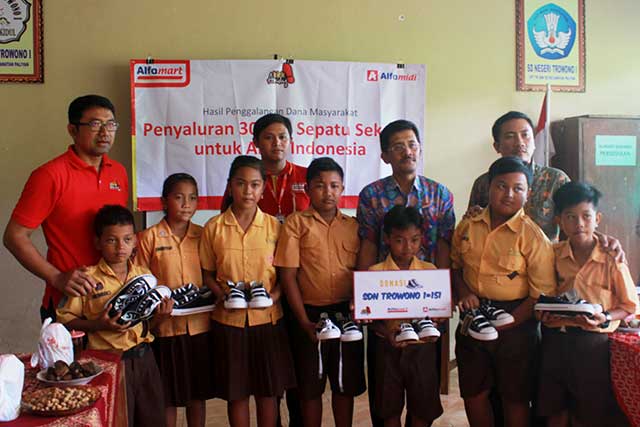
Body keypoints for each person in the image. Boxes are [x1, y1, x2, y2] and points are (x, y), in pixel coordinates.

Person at [356, 119, 455, 427]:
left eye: (412, 144)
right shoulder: (372, 195)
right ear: (385, 155)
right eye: (398, 147)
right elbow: (368, 244)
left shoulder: (440, 194)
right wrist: (363, 297)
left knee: (423, 389)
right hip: (385, 306)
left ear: (420, 149)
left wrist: (443, 298)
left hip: (425, 306)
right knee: (386, 391)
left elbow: (444, 246)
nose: (407, 152)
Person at [451, 156, 557, 427]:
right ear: (488, 187)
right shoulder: (467, 226)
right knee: (474, 393)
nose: (509, 194)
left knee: (515, 397)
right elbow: (455, 267)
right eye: (501, 186)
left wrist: (505, 324)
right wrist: (464, 293)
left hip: (517, 324)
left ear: (528, 194)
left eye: (518, 188)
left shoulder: (533, 237)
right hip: (473, 318)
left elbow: (540, 295)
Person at [4, 95, 128, 321]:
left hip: (112, 299)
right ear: (72, 130)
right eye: (95, 124)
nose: (105, 132)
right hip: (69, 304)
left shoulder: (118, 172)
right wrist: (56, 277)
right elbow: (14, 236)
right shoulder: (50, 175)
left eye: (110, 124)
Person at [221, 113, 308, 427]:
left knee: (298, 363)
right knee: (271, 370)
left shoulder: (306, 176)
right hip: (263, 288)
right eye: (269, 137)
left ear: (290, 140)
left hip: (300, 282)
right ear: (256, 142)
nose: (277, 143)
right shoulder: (247, 178)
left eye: (282, 137)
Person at [200, 155, 295, 427]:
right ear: (230, 186)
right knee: (237, 393)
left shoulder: (276, 227)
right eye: (241, 184)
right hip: (228, 322)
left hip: (268, 321)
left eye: (254, 185)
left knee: (268, 392)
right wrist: (222, 295)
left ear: (262, 188)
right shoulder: (214, 228)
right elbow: (207, 274)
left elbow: (285, 275)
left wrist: (273, 298)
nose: (248, 191)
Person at [536, 182, 638, 426]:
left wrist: (606, 317)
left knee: (590, 410)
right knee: (554, 407)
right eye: (570, 217)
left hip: (593, 345)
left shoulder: (612, 258)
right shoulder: (552, 254)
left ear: (597, 219)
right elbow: (544, 294)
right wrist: (543, 314)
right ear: (559, 221)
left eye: (586, 216)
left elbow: (629, 306)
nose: (579, 224)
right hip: (555, 340)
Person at [57, 205, 169, 427]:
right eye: (111, 240)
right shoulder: (87, 278)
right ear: (97, 242)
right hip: (107, 362)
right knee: (117, 420)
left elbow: (149, 324)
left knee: (153, 419)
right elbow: (65, 320)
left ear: (135, 241)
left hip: (144, 358)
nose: (120, 247)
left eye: (127, 239)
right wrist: (98, 324)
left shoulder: (144, 276)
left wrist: (161, 317)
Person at [274, 157, 365, 427]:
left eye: (334, 186)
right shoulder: (295, 224)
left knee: (344, 385)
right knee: (309, 387)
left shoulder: (353, 226)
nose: (328, 192)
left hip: (346, 315)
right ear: (307, 189)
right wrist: (302, 320)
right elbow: (288, 276)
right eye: (320, 186)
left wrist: (358, 306)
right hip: (309, 315)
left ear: (342, 188)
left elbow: (361, 273)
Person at [135, 173, 212, 427]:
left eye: (192, 198)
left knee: (196, 395)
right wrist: (155, 313)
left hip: (199, 327)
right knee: (166, 395)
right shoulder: (149, 237)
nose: (186, 204)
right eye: (179, 197)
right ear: (164, 201)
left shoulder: (203, 235)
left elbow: (211, 276)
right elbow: (141, 282)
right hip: (164, 328)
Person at [369, 206, 444, 427]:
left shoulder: (430, 272)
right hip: (387, 348)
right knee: (389, 408)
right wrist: (386, 332)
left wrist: (438, 318)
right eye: (399, 240)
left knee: (423, 407)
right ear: (387, 239)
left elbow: (438, 312)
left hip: (422, 348)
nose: (407, 247)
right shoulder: (374, 274)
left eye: (414, 240)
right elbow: (371, 320)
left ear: (422, 239)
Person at [467, 111, 569, 241]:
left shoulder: (557, 180)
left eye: (525, 135)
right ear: (497, 146)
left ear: (534, 141)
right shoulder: (484, 183)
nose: (520, 142)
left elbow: (575, 226)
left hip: (544, 253)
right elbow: (472, 230)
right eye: (510, 136)